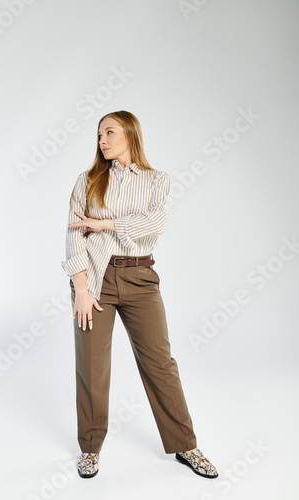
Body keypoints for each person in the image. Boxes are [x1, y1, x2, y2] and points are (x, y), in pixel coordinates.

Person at [61, 110, 218, 480]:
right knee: (92, 369)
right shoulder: (87, 181)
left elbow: (156, 223)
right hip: (95, 281)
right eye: (99, 133)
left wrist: (106, 223)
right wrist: (81, 290)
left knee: (160, 364)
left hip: (141, 279)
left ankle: (185, 445)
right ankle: (90, 448)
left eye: (110, 132)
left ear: (130, 134)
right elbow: (73, 237)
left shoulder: (156, 180)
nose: (102, 139)